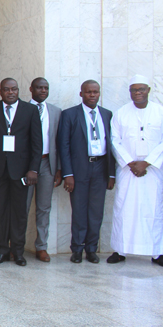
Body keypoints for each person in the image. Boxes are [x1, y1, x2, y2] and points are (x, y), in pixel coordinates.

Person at [0, 78, 43, 266]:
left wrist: (33, 169)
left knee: (19, 213)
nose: (11, 93)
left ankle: (18, 252)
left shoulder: (30, 110)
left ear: (19, 91)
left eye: (14, 89)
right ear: (0, 91)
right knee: (1, 211)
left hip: (22, 171)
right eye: (7, 90)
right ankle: (2, 250)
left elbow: (37, 143)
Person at [58, 80, 115, 264]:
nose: (92, 95)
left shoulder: (107, 114)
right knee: (79, 210)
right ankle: (77, 249)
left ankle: (92, 249)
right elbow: (63, 146)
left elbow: (112, 146)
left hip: (100, 168)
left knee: (96, 211)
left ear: (99, 93)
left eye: (95, 92)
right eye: (89, 92)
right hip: (79, 168)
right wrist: (68, 174)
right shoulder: (70, 114)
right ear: (81, 93)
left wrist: (111, 174)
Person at [109, 75, 163, 266]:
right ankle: (120, 250)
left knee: (153, 210)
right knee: (124, 209)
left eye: (141, 89)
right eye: (134, 90)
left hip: (153, 170)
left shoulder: (160, 111)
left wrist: (146, 162)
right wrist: (131, 163)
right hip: (128, 169)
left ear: (148, 90)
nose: (137, 93)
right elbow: (114, 140)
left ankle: (157, 252)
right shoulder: (121, 113)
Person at [25, 77, 62, 263]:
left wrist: (59, 169)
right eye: (39, 88)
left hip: (47, 163)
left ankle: (41, 247)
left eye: (46, 88)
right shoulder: (22, 109)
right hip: (26, 166)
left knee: (44, 208)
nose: (43, 91)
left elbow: (61, 142)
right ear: (31, 89)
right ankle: (17, 245)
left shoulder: (56, 112)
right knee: (22, 207)